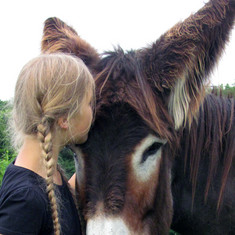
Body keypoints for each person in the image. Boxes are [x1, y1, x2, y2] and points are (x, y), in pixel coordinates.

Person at [0, 53, 95, 235]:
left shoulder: (44, 175)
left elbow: (57, 209)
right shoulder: (25, 198)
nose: (93, 112)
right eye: (89, 103)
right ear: (65, 119)